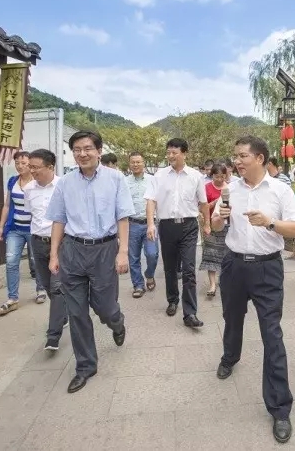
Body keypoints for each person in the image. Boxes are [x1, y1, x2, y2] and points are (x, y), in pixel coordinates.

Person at [212, 135, 295, 444]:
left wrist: (269, 223)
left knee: (272, 334)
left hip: (267, 268)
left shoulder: (280, 190)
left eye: (242, 156)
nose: (236, 161)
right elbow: (214, 225)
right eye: (236, 156)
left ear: (260, 158)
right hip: (234, 265)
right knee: (232, 318)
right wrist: (218, 218)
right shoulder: (230, 190)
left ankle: (280, 408)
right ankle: (230, 357)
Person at [47, 130, 135, 394]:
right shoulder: (65, 183)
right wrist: (54, 254)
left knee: (105, 307)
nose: (82, 154)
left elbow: (122, 217)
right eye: (77, 149)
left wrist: (123, 251)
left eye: (87, 148)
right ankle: (85, 366)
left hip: (105, 250)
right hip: (73, 250)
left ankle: (116, 322)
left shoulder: (115, 179)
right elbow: (58, 219)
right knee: (76, 312)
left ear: (98, 151)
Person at [145, 138, 210, 328]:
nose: (171, 156)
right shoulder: (159, 175)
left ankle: (190, 313)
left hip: (189, 226)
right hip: (166, 226)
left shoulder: (195, 176)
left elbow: (203, 203)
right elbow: (151, 201)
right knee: (170, 268)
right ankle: (172, 300)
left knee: (189, 269)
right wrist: (150, 224)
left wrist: (207, 224)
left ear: (184, 153)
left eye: (174, 152)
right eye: (168, 152)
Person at [23, 149, 68, 351]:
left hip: (61, 243)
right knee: (48, 285)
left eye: (35, 167)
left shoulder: (64, 186)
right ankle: (62, 315)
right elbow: (31, 214)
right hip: (37, 242)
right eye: (30, 166)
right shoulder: (28, 189)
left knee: (57, 287)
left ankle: (53, 336)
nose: (31, 171)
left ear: (50, 167)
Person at [0, 151, 45, 316]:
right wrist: (1, 226)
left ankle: (41, 289)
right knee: (11, 262)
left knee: (36, 261)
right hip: (15, 229)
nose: (20, 166)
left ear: (31, 165)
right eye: (17, 163)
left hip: (34, 230)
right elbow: (7, 205)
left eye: (24, 163)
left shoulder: (37, 183)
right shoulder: (12, 181)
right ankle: (12, 298)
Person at [126, 152, 159, 298]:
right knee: (133, 257)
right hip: (132, 224)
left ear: (143, 163)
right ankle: (138, 285)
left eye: (138, 162)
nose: (135, 165)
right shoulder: (124, 182)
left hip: (150, 224)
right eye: (133, 162)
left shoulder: (153, 180)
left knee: (152, 254)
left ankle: (149, 274)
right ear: (129, 164)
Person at [199, 163, 229, 297]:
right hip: (210, 224)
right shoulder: (207, 188)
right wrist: (216, 201)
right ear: (212, 175)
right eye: (217, 176)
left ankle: (223, 279)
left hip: (227, 225)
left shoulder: (230, 188)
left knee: (225, 255)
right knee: (211, 254)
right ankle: (212, 285)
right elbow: (202, 207)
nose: (220, 179)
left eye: (223, 176)